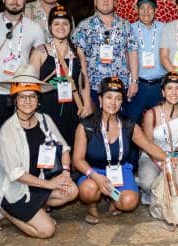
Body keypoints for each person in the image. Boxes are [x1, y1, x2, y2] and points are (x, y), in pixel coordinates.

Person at [0, 64, 78, 238]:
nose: (27, 101)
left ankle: (37, 208)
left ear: (38, 99)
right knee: (46, 231)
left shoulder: (44, 119)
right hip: (17, 190)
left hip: (39, 183)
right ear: (15, 99)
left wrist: (65, 172)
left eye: (32, 96)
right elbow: (16, 174)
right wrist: (51, 185)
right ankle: (6, 211)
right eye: (22, 97)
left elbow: (64, 149)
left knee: (72, 190)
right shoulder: (8, 130)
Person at [72, 77, 170, 224]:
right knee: (89, 190)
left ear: (122, 102)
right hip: (93, 171)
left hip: (119, 170)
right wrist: (96, 177)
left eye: (118, 98)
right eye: (109, 97)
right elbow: (77, 160)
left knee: (129, 202)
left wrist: (172, 160)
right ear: (100, 99)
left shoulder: (128, 125)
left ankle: (114, 198)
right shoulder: (86, 126)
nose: (113, 102)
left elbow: (150, 148)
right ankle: (92, 205)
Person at [0, 0, 46, 186]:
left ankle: (19, 185)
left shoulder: (34, 28)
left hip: (20, 93)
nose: (15, 1)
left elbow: (40, 56)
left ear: (25, 1)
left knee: (21, 139)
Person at [29, 4, 92, 145]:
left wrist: (87, 103)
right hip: (46, 107)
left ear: (71, 26)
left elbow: (84, 79)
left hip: (73, 109)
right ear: (50, 27)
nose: (61, 27)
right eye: (56, 23)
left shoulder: (77, 52)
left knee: (71, 146)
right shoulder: (40, 51)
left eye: (65, 23)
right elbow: (31, 83)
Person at [71, 0, 139, 110]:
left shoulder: (125, 25)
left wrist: (134, 81)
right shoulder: (84, 26)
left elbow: (132, 52)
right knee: (95, 126)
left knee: (119, 126)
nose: (106, 0)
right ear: (95, 2)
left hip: (120, 86)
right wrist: (82, 90)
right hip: (94, 87)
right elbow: (78, 60)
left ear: (115, 2)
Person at [138, 72, 178, 205]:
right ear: (163, 92)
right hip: (153, 158)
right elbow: (147, 146)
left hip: (176, 156)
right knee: (149, 183)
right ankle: (145, 190)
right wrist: (162, 163)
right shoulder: (151, 114)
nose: (174, 92)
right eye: (170, 88)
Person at [126, 0, 166, 124]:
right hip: (137, 85)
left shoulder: (165, 28)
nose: (146, 11)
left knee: (160, 125)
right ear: (136, 9)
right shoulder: (129, 29)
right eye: (142, 7)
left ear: (156, 10)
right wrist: (132, 81)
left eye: (150, 8)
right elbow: (125, 57)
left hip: (159, 86)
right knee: (131, 124)